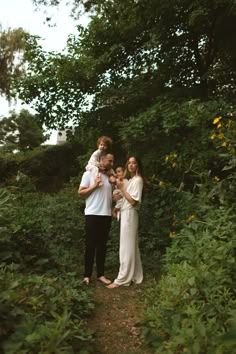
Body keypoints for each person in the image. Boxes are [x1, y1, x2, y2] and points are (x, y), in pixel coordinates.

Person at [107, 156, 144, 288]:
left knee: (126, 247)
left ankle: (122, 279)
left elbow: (133, 201)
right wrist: (118, 195)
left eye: (134, 163)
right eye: (129, 163)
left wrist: (122, 190)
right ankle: (135, 275)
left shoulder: (138, 180)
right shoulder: (131, 180)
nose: (131, 165)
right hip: (126, 213)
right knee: (131, 246)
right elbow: (124, 196)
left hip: (130, 214)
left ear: (138, 165)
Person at [78, 151, 115, 285]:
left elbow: (111, 196)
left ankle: (100, 275)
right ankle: (87, 275)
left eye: (112, 161)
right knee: (90, 246)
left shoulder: (110, 177)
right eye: (110, 161)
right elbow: (81, 193)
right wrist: (94, 185)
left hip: (106, 215)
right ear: (102, 159)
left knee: (102, 246)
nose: (112, 164)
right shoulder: (88, 174)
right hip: (92, 214)